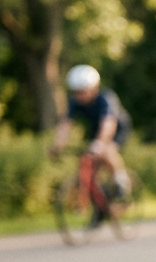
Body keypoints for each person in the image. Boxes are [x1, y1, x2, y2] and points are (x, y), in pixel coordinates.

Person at [50, 65, 133, 198]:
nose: (79, 96)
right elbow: (66, 124)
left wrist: (99, 143)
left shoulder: (106, 98)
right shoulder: (74, 102)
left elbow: (108, 124)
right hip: (96, 129)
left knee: (107, 151)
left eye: (82, 91)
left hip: (117, 128)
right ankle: (100, 199)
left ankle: (121, 181)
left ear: (93, 88)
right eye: (76, 92)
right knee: (89, 161)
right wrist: (58, 144)